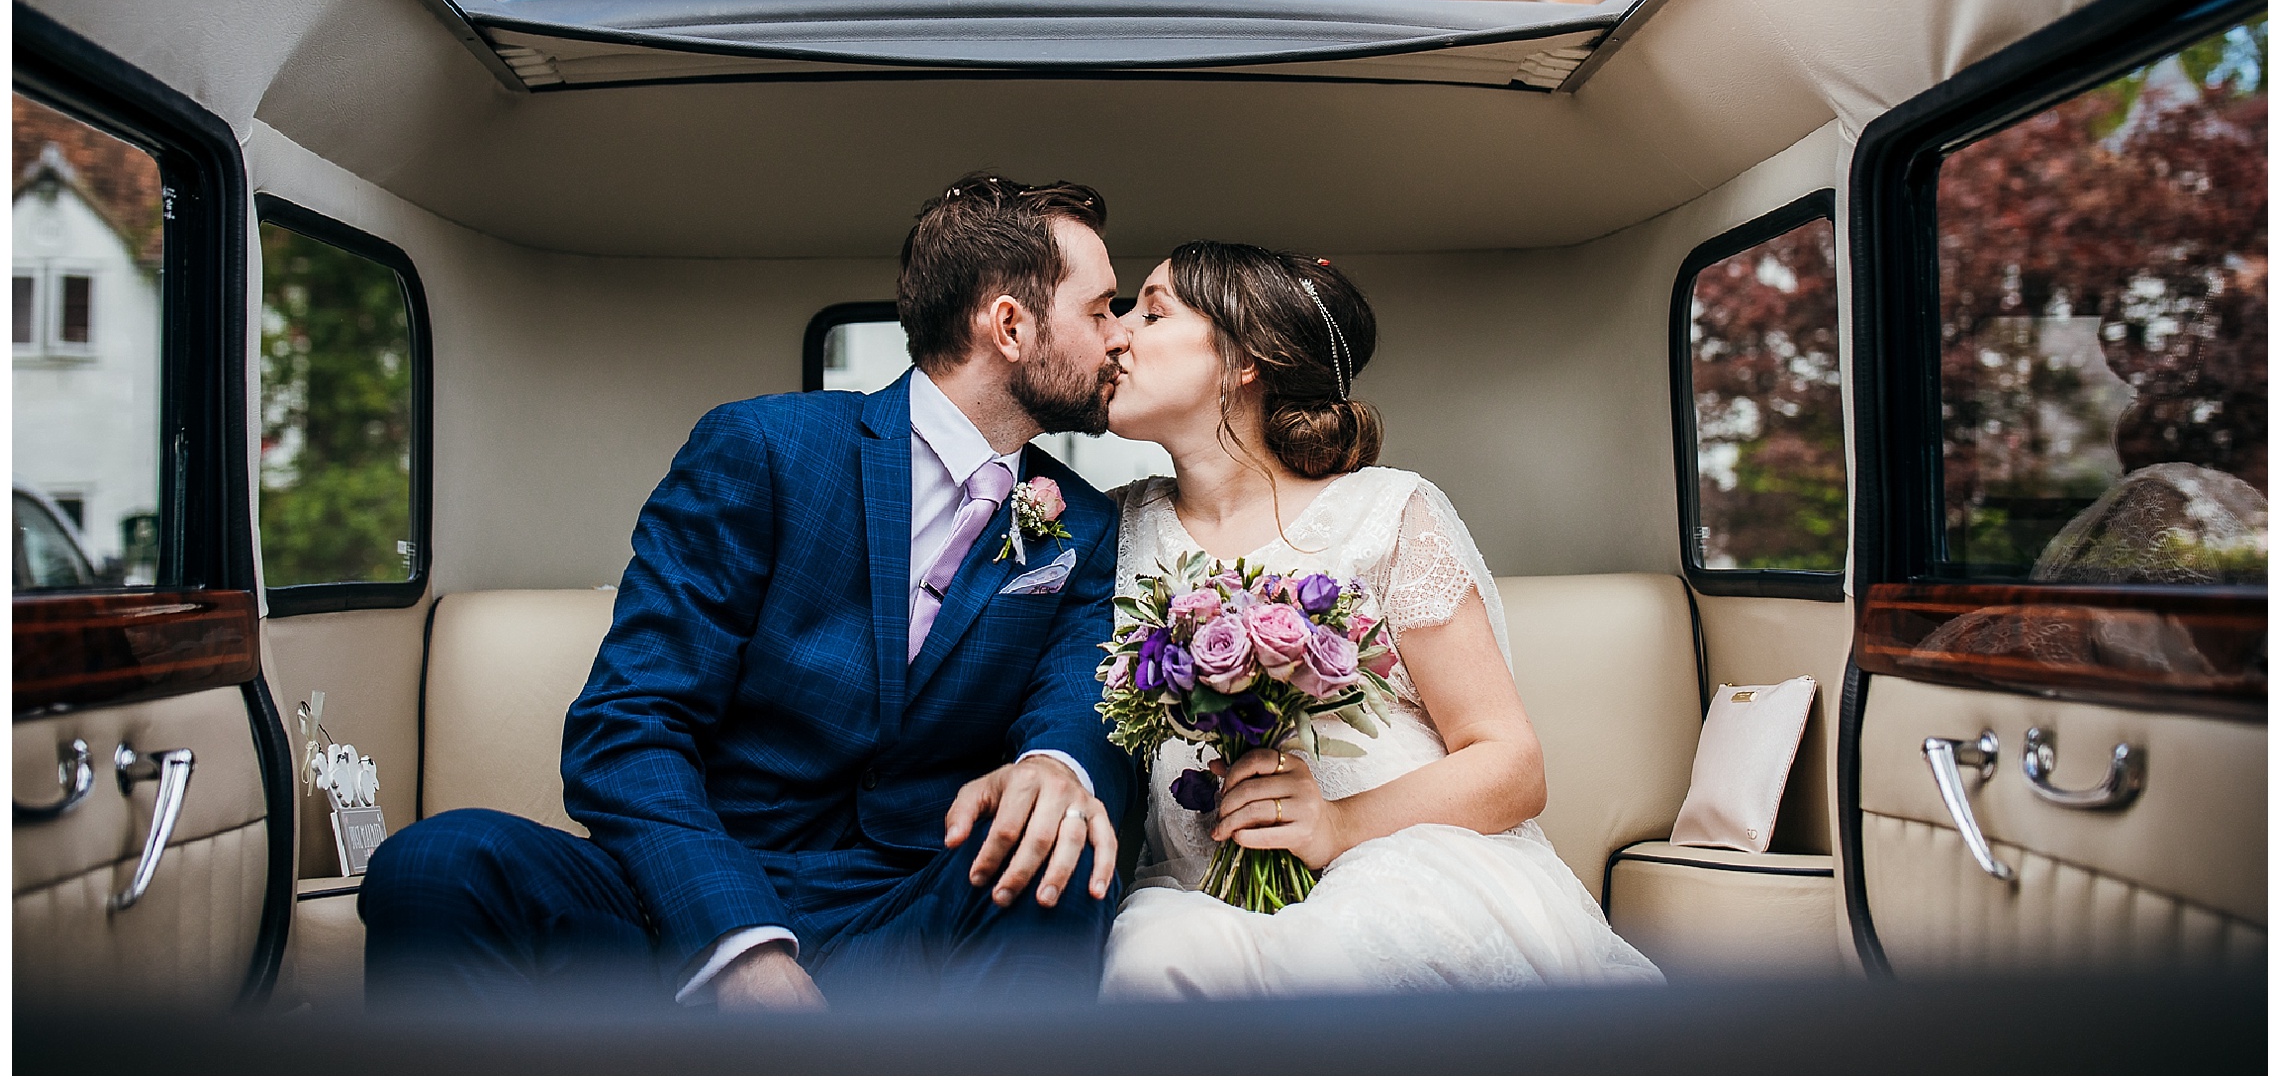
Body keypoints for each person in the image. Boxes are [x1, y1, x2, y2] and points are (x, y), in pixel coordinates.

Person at [360, 174, 1140, 1010]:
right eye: (1100, 311)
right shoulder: (766, 450)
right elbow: (628, 724)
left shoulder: (1082, 526)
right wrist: (739, 944)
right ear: (1011, 326)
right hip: (704, 885)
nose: (1120, 338)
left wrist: (1057, 767)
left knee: (1064, 851)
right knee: (439, 864)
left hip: (916, 906)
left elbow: (1079, 698)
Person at [1097, 242, 1660, 998]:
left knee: (1331, 961)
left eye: (1153, 311)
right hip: (1202, 891)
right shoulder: (1116, 530)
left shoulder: (1385, 512)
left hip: (1411, 864)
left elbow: (1511, 763)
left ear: (1244, 360)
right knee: (1152, 963)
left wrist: (1339, 824)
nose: (1118, 333)